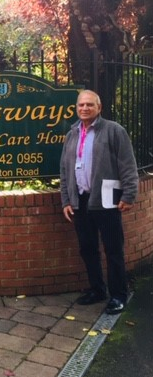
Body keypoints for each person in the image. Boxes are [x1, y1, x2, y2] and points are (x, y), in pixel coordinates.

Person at [60, 90, 139, 315]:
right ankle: (97, 289)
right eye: (81, 105)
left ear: (99, 107)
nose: (84, 108)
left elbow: (128, 165)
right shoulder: (72, 134)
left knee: (113, 249)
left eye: (89, 105)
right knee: (88, 249)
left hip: (106, 200)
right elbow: (64, 170)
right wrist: (66, 199)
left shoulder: (114, 131)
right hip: (80, 201)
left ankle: (118, 295)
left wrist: (129, 195)